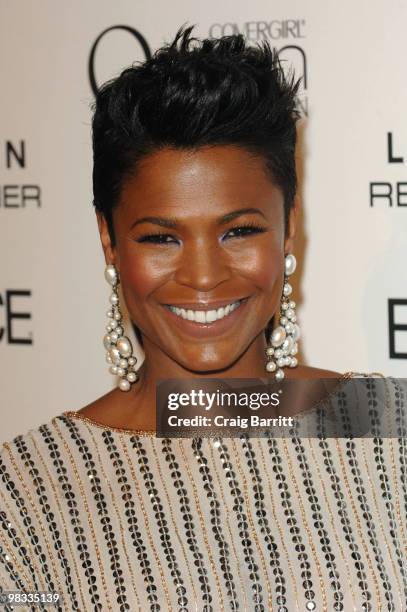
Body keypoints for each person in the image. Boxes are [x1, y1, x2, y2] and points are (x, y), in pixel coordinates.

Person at [0, 25, 406, 612]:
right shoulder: (26, 496)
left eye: (239, 230)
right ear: (109, 241)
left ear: (289, 225)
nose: (205, 276)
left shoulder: (388, 433)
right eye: (161, 238)